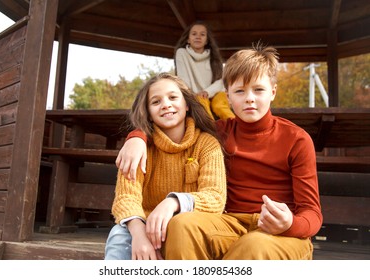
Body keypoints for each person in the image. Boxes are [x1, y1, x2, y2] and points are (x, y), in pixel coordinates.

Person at [114, 43, 323, 260]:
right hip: (229, 225)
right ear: (228, 96)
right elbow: (172, 122)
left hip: (282, 234)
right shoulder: (219, 131)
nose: (249, 98)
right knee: (181, 224)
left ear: (273, 92)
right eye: (240, 91)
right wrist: (136, 137)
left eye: (258, 90)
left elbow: (312, 214)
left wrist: (290, 224)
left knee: (254, 245)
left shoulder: (297, 139)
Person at [104, 73, 227, 260]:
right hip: (145, 225)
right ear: (149, 113)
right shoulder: (139, 148)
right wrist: (139, 234)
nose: (166, 104)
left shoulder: (207, 144)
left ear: (186, 105)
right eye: (156, 102)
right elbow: (125, 198)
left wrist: (172, 202)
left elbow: (215, 197)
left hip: (190, 224)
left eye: (173, 97)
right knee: (119, 236)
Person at [174, 21, 234, 120]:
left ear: (206, 40)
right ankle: (212, 132)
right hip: (196, 95)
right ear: (188, 39)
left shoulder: (214, 57)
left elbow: (221, 80)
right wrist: (195, 95)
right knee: (202, 104)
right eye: (194, 34)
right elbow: (183, 80)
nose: (198, 37)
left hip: (216, 92)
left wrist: (207, 91)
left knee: (219, 106)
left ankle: (237, 126)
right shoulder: (182, 53)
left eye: (202, 34)